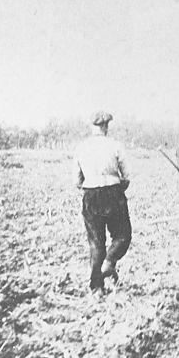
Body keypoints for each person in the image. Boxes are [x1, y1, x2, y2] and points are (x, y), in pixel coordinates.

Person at [73, 111, 131, 293]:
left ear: (92, 127)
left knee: (96, 243)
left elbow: (76, 181)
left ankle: (97, 287)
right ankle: (109, 261)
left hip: (90, 195)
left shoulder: (81, 147)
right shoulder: (115, 146)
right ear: (106, 126)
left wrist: (90, 186)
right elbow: (127, 176)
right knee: (123, 236)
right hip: (113, 193)